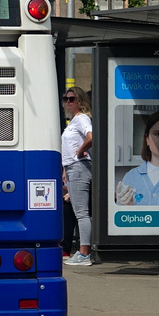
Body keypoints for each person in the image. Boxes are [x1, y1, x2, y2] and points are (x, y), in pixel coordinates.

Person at [61, 87, 95, 266]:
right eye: (66, 98)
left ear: (79, 100)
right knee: (78, 211)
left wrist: (81, 150)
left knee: (81, 213)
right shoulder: (73, 121)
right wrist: (66, 169)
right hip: (73, 167)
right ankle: (83, 252)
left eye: (71, 98)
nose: (68, 101)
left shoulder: (81, 118)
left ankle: (84, 253)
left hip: (79, 167)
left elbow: (91, 137)